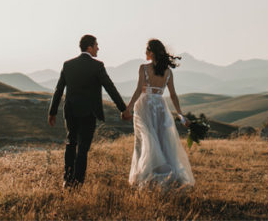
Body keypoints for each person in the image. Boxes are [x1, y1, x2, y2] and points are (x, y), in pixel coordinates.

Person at [48, 34, 130, 187]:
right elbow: (110, 88)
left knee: (71, 143)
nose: (98, 48)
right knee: (83, 148)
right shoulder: (97, 66)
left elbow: (58, 90)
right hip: (88, 113)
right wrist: (123, 109)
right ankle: (78, 182)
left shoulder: (68, 65)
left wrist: (52, 112)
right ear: (89, 47)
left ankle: (67, 179)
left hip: (71, 111)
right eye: (96, 45)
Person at [123, 39, 195, 189]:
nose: (145, 53)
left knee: (145, 140)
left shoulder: (143, 68)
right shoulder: (168, 72)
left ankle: (147, 176)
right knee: (162, 141)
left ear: (152, 53)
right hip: (160, 107)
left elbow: (138, 90)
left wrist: (128, 108)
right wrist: (180, 114)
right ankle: (166, 175)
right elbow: (173, 95)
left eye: (146, 51)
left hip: (145, 106)